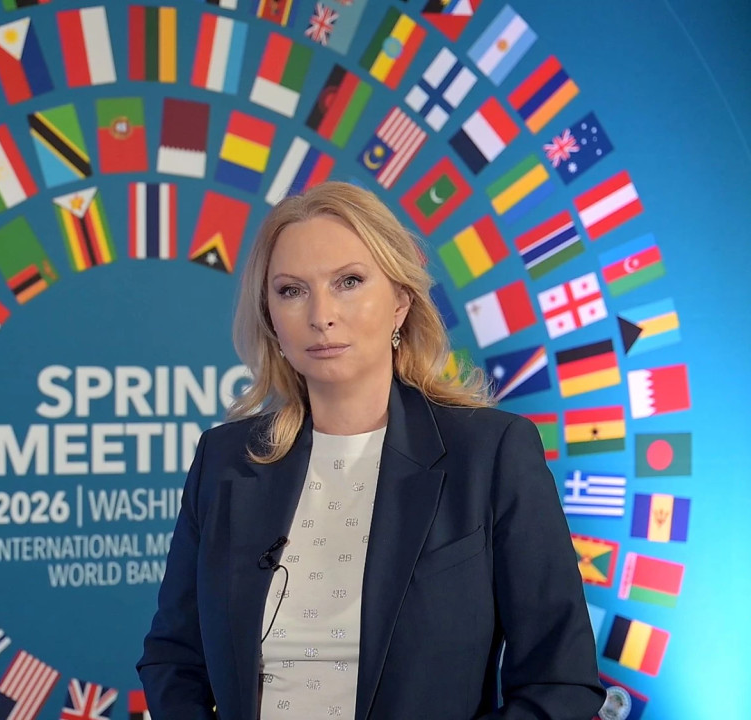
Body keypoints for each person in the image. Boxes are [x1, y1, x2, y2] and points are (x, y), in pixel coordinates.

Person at [136, 182, 605, 720]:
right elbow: (174, 657)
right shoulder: (224, 461)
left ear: (400, 302)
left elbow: (560, 682)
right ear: (269, 316)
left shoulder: (491, 453)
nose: (321, 314)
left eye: (349, 282)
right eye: (291, 290)